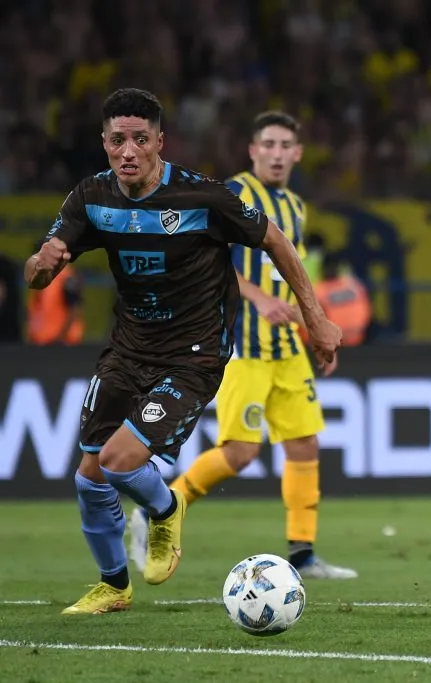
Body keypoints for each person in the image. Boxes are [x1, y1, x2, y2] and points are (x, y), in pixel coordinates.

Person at [24, 89, 340, 615]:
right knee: (88, 477)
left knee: (121, 461)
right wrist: (43, 260)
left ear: (159, 143)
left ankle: (166, 510)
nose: (128, 151)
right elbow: (38, 278)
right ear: (104, 143)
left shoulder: (203, 198)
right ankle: (113, 586)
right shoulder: (91, 197)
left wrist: (316, 318)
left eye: (140, 140)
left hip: (194, 352)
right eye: (117, 140)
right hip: (127, 349)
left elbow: (277, 243)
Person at [129, 111, 356, 580]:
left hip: (285, 350)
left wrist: (313, 329)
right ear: (253, 151)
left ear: (297, 153)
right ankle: (159, 508)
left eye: (284, 146)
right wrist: (256, 298)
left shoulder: (294, 206)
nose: (276, 153)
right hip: (242, 347)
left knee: (305, 445)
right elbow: (199, 260)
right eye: (267, 144)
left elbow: (289, 277)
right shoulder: (231, 194)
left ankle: (303, 555)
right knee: (240, 452)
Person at [26, 262, 84, 345]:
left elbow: (74, 311)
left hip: (62, 343)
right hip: (41, 342)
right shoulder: (41, 275)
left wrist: (60, 338)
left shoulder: (66, 277)